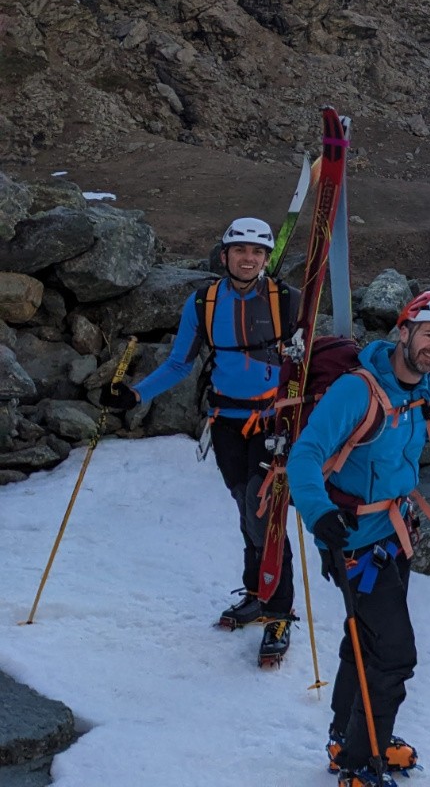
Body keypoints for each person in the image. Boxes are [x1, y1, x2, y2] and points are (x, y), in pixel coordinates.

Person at [286, 290, 430, 787]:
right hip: (350, 540)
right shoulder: (357, 390)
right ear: (404, 331)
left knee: (366, 641)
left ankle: (348, 739)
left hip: (394, 536)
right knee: (393, 654)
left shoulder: (426, 387)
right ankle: (360, 763)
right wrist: (319, 514)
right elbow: (304, 455)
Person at [101, 216, 301, 664]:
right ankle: (257, 593)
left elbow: (309, 362)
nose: (249, 259)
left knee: (263, 512)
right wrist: (134, 394)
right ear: (225, 255)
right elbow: (178, 364)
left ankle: (279, 611)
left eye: (258, 252)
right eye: (240, 250)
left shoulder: (288, 301)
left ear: (267, 258)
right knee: (245, 508)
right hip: (226, 419)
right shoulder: (203, 301)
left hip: (274, 421)